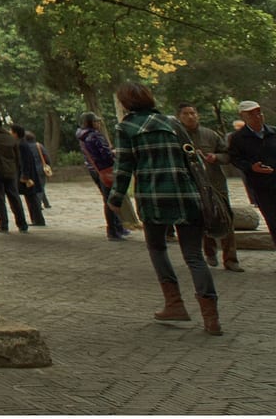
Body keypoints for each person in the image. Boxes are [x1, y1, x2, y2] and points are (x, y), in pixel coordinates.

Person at [107, 81, 221, 335]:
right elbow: (191, 159)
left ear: (126, 103)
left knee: (157, 248)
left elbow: (124, 167)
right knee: (194, 256)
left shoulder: (126, 127)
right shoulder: (173, 123)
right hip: (186, 195)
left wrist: (115, 199)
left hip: (153, 197)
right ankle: (211, 317)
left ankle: (174, 303)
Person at [175, 102, 241, 271]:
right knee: (201, 220)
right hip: (193, 186)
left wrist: (216, 157)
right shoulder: (175, 137)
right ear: (179, 117)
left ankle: (231, 259)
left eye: (193, 113)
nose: (190, 116)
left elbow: (228, 155)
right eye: (186, 114)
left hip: (216, 185)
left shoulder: (210, 134)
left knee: (226, 218)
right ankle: (209, 252)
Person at [227, 99, 276, 247]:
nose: (257, 116)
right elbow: (235, 159)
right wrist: (251, 167)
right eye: (251, 114)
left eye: (259, 113)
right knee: (273, 222)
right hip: (261, 187)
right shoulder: (237, 138)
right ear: (243, 116)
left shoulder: (273, 132)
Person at [77, 111, 128, 240]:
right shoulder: (94, 136)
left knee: (107, 198)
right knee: (110, 200)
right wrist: (114, 153)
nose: (98, 124)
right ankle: (113, 230)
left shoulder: (82, 136)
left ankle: (117, 226)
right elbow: (105, 154)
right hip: (106, 169)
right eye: (96, 121)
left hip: (95, 169)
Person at [11, 124, 46, 227]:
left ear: (16, 133)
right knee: (31, 198)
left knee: (32, 198)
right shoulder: (22, 143)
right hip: (28, 174)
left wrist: (25, 176)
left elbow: (25, 161)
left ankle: (38, 220)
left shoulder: (21, 145)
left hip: (27, 175)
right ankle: (36, 219)